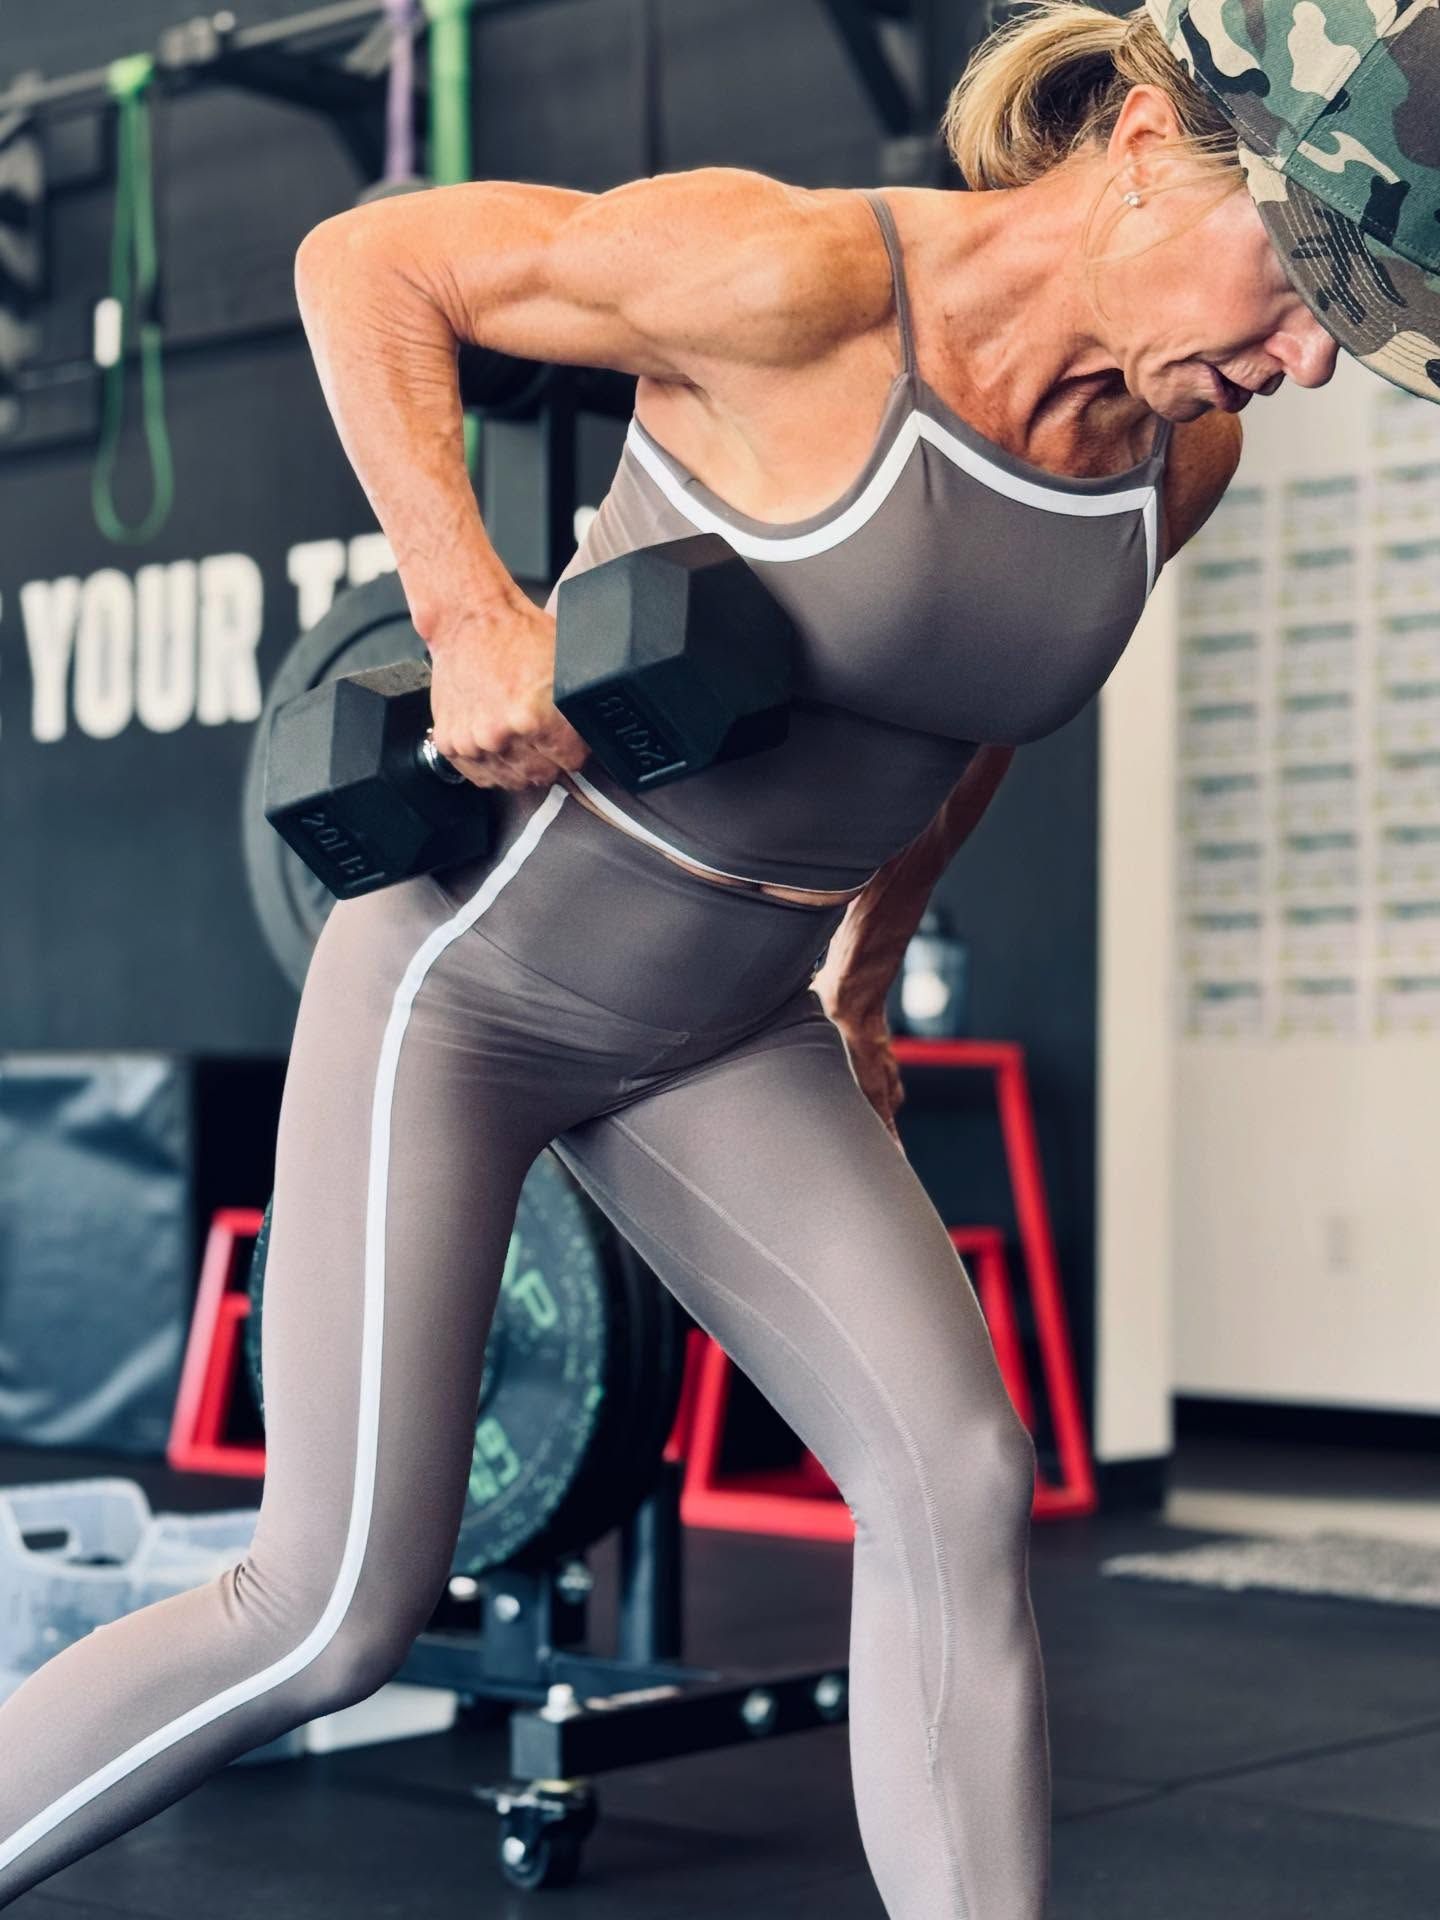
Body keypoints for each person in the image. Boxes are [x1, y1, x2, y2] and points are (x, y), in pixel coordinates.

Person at [1, 1, 1434, 1914]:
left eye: (1362, 315)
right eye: (1312, 278)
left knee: (959, 1479)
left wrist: (868, 957)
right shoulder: (809, 280)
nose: (1317, 354)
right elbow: (371, 260)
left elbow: (977, 702)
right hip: (475, 986)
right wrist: (470, 606)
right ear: (1157, 145)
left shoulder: (1176, 454)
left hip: (730, 1036)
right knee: (334, 1607)